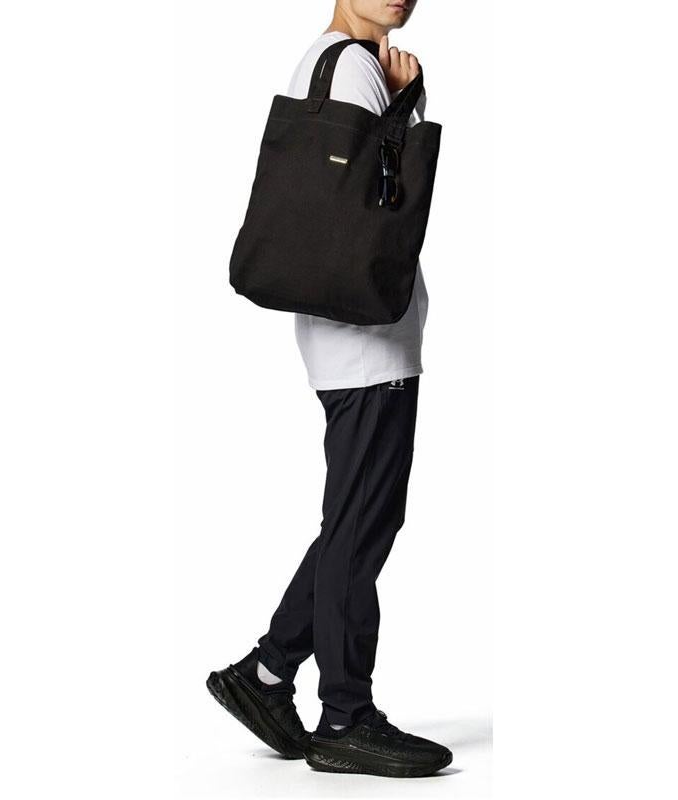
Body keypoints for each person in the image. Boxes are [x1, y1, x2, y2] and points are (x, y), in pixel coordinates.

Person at [207, 0, 451, 778]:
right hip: (365, 341)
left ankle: (265, 673)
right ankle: (345, 714)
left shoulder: (329, 61)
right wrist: (407, 105)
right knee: (357, 529)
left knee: (358, 520)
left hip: (351, 336)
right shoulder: (354, 67)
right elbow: (381, 206)